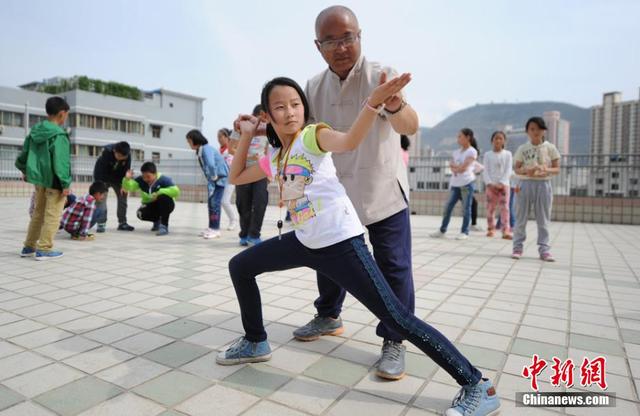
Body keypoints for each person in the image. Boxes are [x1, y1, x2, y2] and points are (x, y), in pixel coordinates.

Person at [218, 77, 500, 416]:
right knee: (240, 266)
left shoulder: (313, 135)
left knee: (397, 317)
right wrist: (248, 134)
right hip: (304, 241)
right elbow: (236, 177)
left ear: (304, 108)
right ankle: (255, 341)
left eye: (295, 104)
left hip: (340, 243)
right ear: (269, 116)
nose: (290, 112)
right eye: (280, 107)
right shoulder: (278, 156)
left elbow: (350, 141)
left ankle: (477, 385)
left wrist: (373, 103)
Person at [300, 5, 420, 380]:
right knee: (328, 258)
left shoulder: (378, 75)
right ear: (318, 46)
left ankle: (395, 339)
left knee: (393, 268)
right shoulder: (313, 87)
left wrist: (396, 104)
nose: (341, 47)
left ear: (360, 37)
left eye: (347, 38)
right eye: (331, 41)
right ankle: (328, 314)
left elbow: (411, 125)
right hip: (336, 194)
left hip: (382, 187)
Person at [16, 96, 72, 261]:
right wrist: (65, 183)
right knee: (53, 215)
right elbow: (61, 162)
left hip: (39, 181)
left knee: (38, 214)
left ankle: (29, 246)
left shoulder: (35, 131)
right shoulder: (59, 135)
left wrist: (24, 169)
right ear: (62, 114)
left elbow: (24, 154)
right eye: (67, 114)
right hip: (54, 181)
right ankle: (45, 248)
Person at [512, 117, 560, 261]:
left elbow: (557, 169)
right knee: (521, 217)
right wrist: (527, 171)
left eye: (539, 128)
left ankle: (544, 250)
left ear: (544, 130)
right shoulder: (522, 148)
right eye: (532, 129)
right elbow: (517, 169)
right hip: (525, 184)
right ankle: (517, 247)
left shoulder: (550, 148)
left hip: (543, 185)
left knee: (543, 219)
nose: (535, 132)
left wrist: (547, 169)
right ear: (527, 131)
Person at [431, 128, 478, 240]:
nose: (458, 139)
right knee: (448, 207)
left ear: (468, 137)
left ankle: (464, 232)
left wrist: (457, 167)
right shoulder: (456, 152)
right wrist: (457, 168)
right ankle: (442, 230)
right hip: (455, 184)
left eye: (460, 136)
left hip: (467, 183)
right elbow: (452, 167)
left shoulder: (472, 151)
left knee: (466, 208)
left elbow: (463, 168)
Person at [235, 104, 269, 246]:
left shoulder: (268, 131)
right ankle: (244, 234)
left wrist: (267, 169)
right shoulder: (241, 126)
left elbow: (268, 152)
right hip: (243, 171)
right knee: (244, 204)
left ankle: (254, 235)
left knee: (261, 202)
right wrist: (244, 155)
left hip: (260, 172)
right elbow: (231, 148)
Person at [186, 129, 229, 239]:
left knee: (215, 203)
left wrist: (214, 175)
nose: (189, 144)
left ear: (195, 140)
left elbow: (210, 163)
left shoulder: (206, 149)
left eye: (189, 141)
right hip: (214, 180)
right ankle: (211, 227)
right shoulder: (201, 150)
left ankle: (215, 229)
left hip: (219, 179)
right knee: (211, 203)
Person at [122, 162, 180, 236]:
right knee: (140, 214)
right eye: (143, 176)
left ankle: (164, 226)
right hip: (150, 205)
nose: (145, 179)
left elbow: (176, 191)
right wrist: (126, 179)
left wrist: (159, 192)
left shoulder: (164, 179)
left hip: (167, 205)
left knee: (163, 197)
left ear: (155, 173)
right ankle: (157, 221)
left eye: (148, 176)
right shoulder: (140, 180)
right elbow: (129, 187)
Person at [93, 141, 135, 232]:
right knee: (101, 199)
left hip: (118, 178)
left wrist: (125, 185)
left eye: (123, 157)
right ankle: (101, 224)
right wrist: (100, 186)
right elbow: (101, 170)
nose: (121, 159)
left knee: (123, 196)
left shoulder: (127, 155)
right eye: (119, 156)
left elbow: (127, 170)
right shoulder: (106, 152)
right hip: (103, 177)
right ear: (114, 151)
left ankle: (122, 223)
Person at [482, 131, 513, 239]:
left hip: (504, 186)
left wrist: (502, 183)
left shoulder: (508, 154)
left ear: (504, 141)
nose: (498, 140)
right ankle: (491, 229)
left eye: (500, 138)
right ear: (492, 141)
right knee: (490, 208)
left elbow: (509, 170)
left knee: (505, 208)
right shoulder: (487, 154)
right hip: (491, 186)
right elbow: (485, 170)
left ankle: (506, 231)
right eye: (496, 138)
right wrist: (490, 183)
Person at [218, 128, 239, 230]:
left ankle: (233, 220)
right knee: (219, 202)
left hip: (230, 179)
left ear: (227, 137)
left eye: (221, 137)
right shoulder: (220, 150)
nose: (219, 139)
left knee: (225, 201)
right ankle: (216, 223)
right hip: (220, 179)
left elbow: (230, 165)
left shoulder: (229, 150)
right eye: (218, 137)